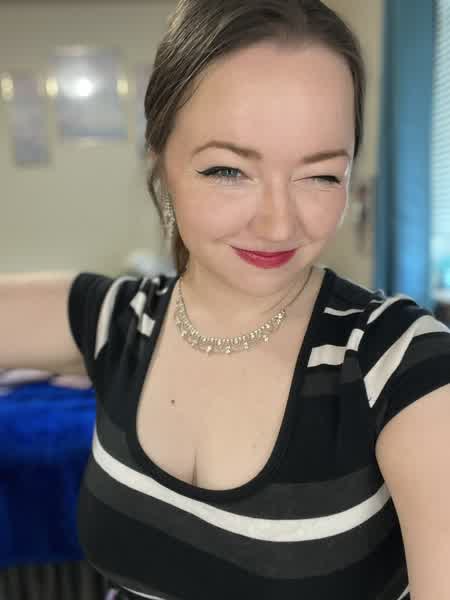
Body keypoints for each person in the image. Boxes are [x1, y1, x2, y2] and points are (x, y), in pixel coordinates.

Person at [1, 1, 450, 599]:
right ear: (161, 164)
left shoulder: (403, 363)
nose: (278, 224)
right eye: (227, 171)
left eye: (321, 175)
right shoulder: (121, 321)